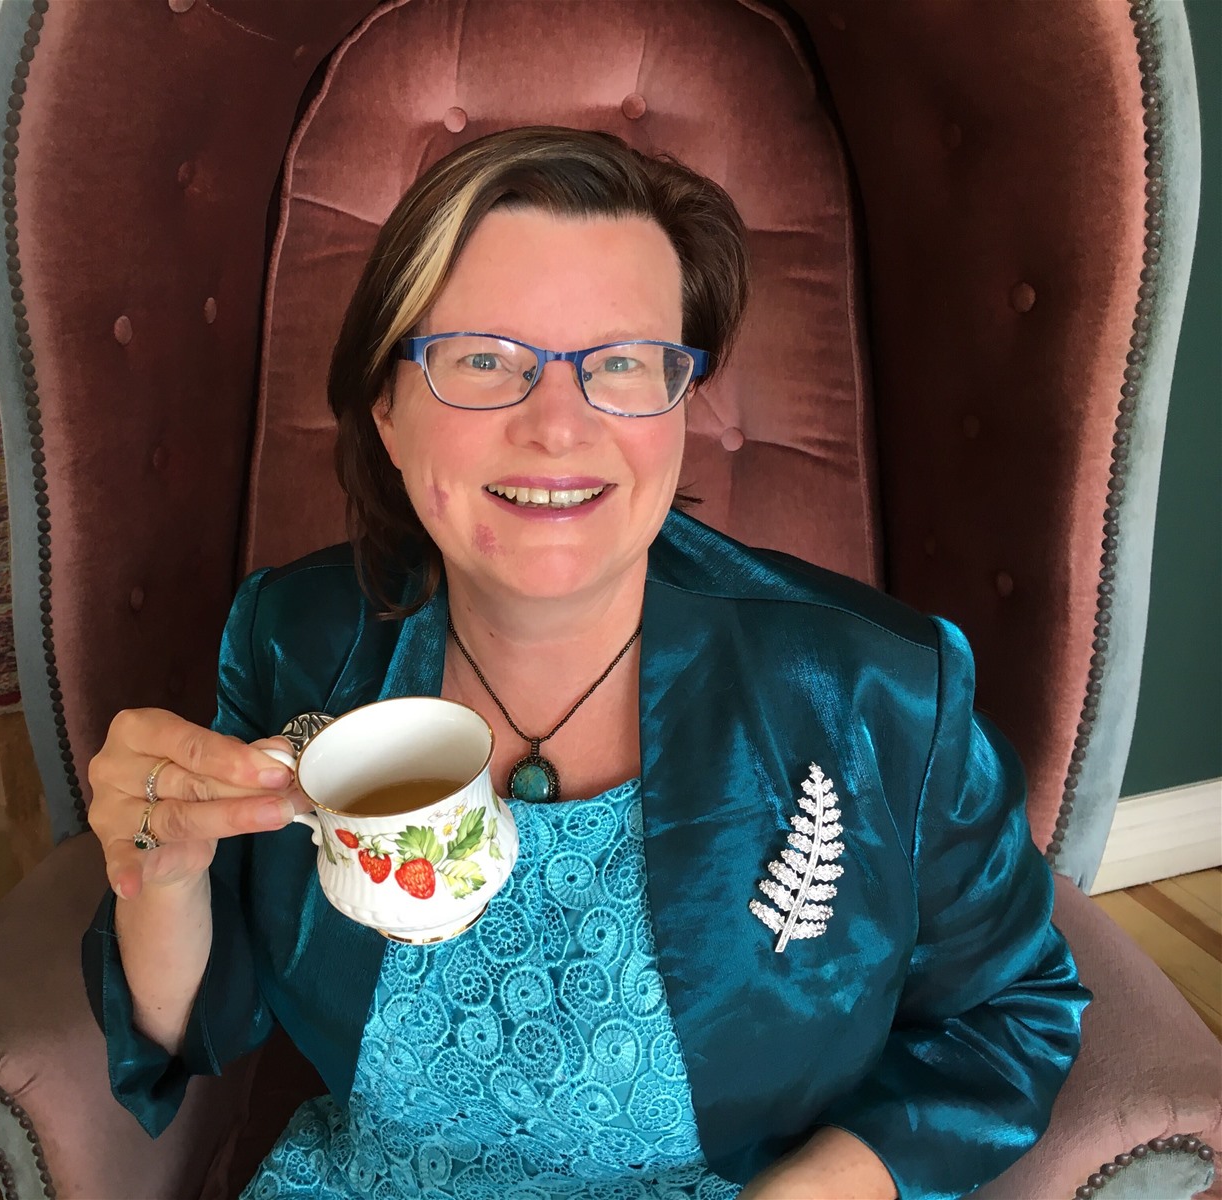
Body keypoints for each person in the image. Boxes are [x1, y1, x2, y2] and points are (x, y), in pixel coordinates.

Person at [82, 126, 1088, 1199]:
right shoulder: (294, 639)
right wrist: (160, 876)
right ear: (385, 404)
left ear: (683, 404)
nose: (558, 428)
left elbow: (1010, 1013)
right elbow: (196, 1019)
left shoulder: (873, 690)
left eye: (619, 365)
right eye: (482, 361)